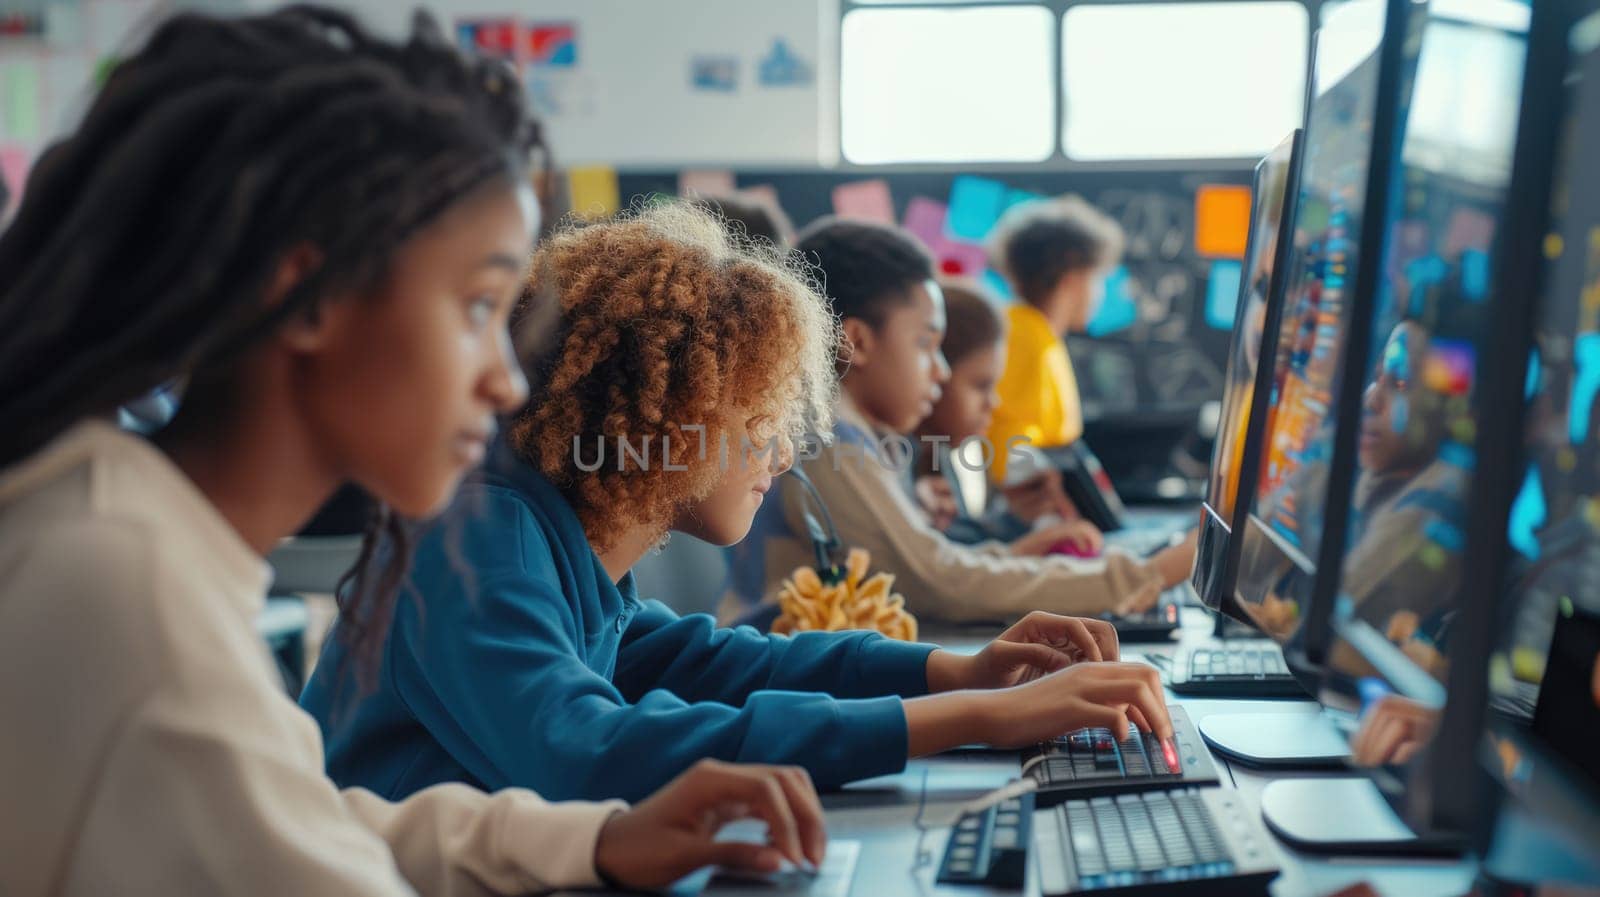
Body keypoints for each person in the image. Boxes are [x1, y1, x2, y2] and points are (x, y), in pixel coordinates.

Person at [0, 9, 827, 893]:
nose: (508, 380)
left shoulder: (128, 532)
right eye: (477, 307)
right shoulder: (128, 588)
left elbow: (301, 809)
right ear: (309, 295)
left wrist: (594, 840)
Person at [300, 202, 1176, 807]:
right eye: (760, 417)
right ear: (668, 414)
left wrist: (955, 672)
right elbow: (584, 750)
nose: (785, 449)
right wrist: (970, 718)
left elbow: (706, 661)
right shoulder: (475, 536)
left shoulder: (561, 543)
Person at [725, 219, 1195, 627]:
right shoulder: (828, 442)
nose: (942, 371)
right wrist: (1148, 575)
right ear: (858, 342)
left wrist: (1010, 556)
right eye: (925, 344)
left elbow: (928, 565)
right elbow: (936, 583)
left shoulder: (840, 431)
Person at [911, 278, 1100, 556]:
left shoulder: (942, 457)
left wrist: (1016, 518)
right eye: (981, 386)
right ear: (934, 374)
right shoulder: (901, 466)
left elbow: (959, 547)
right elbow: (945, 575)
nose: (994, 403)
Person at [985, 195, 1123, 485]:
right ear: (1072, 277)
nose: (1099, 293)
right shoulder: (1024, 336)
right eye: (1097, 279)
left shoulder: (1038, 333)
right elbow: (1007, 444)